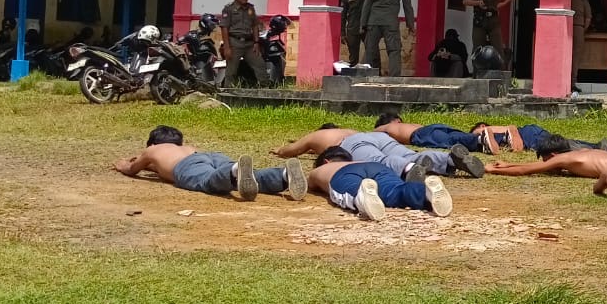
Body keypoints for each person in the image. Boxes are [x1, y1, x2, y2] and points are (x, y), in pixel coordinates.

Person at [115, 125, 306, 202]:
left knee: (207, 181)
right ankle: (282, 175)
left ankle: (234, 171)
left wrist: (122, 164)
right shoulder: (188, 147)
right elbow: (158, 167)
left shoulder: (152, 150)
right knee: (251, 176)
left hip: (188, 166)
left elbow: (132, 169)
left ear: (153, 143)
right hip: (209, 156)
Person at [273, 123, 482, 179]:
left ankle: (408, 169)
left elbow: (291, 150)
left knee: (380, 161)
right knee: (409, 153)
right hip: (378, 137)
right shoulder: (348, 129)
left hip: (353, 144)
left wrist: (279, 150)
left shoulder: (319, 136)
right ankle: (449, 160)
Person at [309, 145, 452, 221]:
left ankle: (360, 196)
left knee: (351, 190)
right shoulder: (359, 160)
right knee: (396, 190)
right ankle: (424, 192)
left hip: (343, 173)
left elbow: (310, 185)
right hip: (377, 167)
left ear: (326, 161)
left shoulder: (323, 168)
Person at [371, 112, 607, 156]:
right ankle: (596, 146)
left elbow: (512, 131)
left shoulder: (399, 128)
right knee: (556, 143)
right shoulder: (418, 127)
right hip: (531, 135)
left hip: (527, 135)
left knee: (553, 145)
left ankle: (595, 147)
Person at [360, 0, 415, 76]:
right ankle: (394, 77)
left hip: (374, 21)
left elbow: (367, 4)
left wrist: (362, 24)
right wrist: (410, 25)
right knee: (394, 50)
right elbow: (407, 6)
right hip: (391, 22)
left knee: (370, 50)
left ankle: (368, 75)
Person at [219, 0, 270, 87]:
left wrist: (256, 42)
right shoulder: (229, 9)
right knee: (231, 71)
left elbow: (255, 25)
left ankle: (265, 91)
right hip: (235, 43)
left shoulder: (250, 8)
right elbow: (224, 28)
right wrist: (227, 47)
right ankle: (228, 93)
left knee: (260, 65)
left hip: (249, 44)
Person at [340, 0, 368, 65]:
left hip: (367, 29)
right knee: (353, 56)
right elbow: (343, 16)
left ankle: (376, 75)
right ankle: (353, 77)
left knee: (372, 52)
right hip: (352, 29)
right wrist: (343, 33)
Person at [571, 0, 593, 93]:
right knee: (575, 56)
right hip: (578, 28)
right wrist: (583, 30)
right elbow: (588, 18)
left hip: (564, 26)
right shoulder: (583, 0)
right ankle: (572, 82)